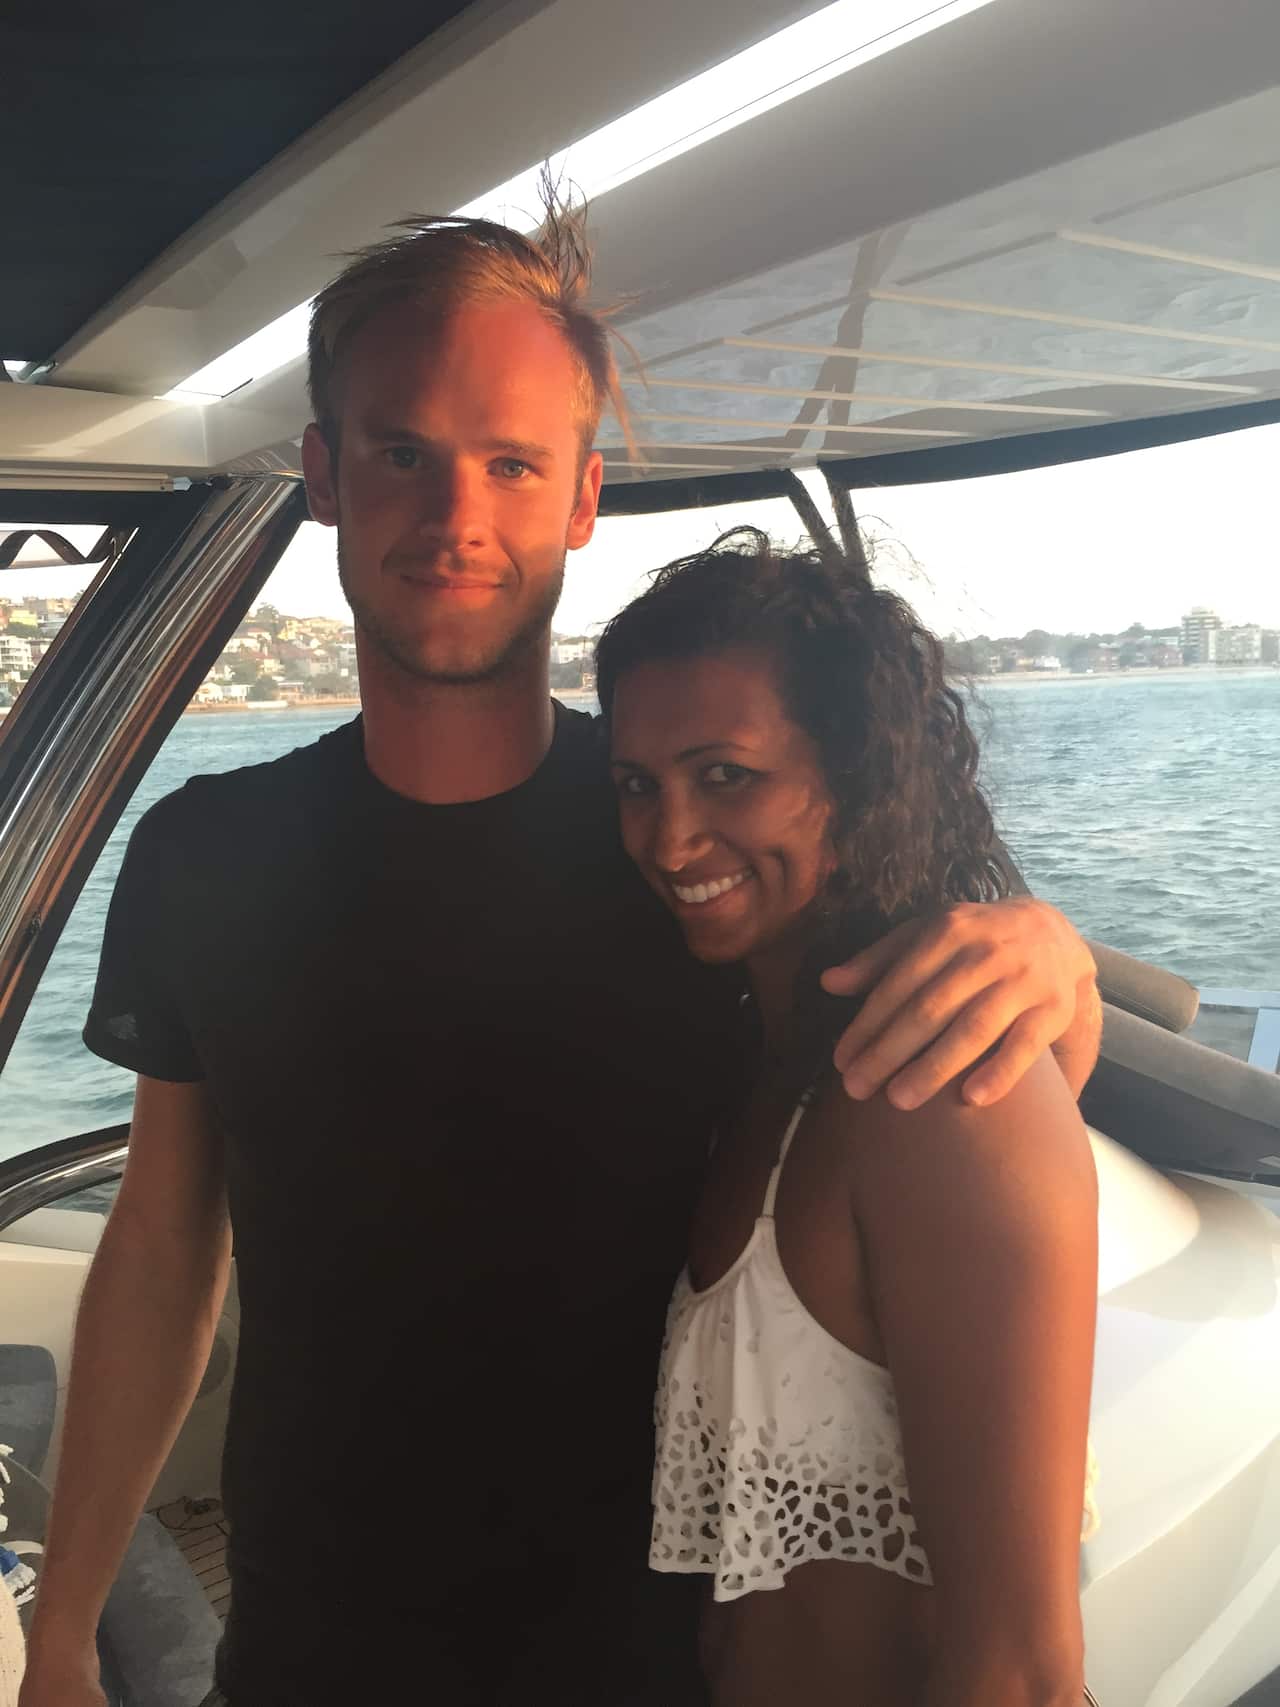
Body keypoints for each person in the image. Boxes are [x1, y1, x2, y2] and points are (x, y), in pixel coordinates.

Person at [20, 197, 1100, 1707]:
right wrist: (65, 1625)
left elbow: (925, 1018)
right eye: (402, 449)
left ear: (582, 497)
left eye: (512, 462)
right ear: (323, 474)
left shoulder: (679, 854)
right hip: (309, 1636)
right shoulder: (207, 851)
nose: (456, 512)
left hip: (647, 1649)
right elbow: (160, 1237)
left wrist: (1056, 958)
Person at [597, 527, 1100, 1707]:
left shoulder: (934, 1100)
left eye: (726, 775)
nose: (669, 838)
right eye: (636, 785)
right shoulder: (762, 1067)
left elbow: (1021, 1672)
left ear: (856, 775)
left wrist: (1058, 964)